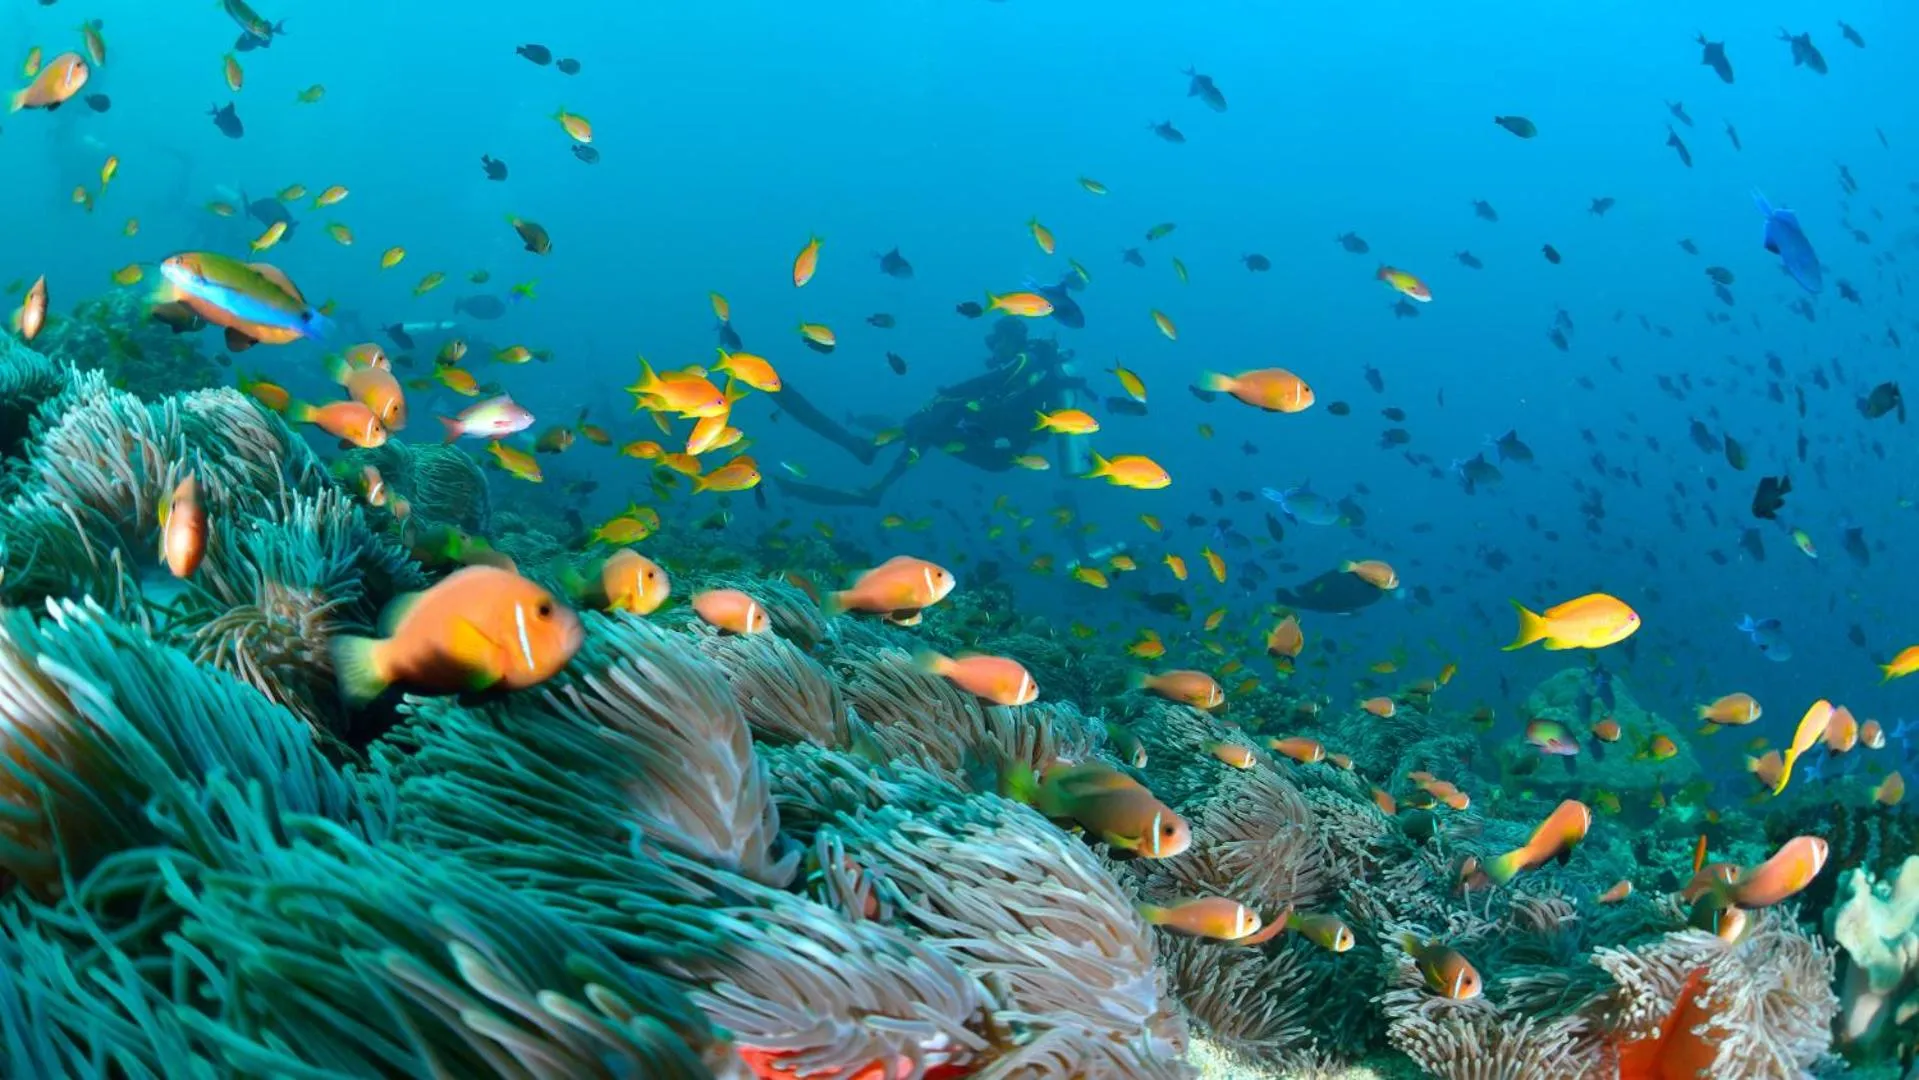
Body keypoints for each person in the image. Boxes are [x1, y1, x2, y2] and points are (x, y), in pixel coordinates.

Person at [773, 316, 1091, 507]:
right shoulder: (1030, 368)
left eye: (997, 342)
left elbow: (997, 379)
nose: (994, 349)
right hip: (996, 444)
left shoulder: (1029, 359)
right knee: (934, 424)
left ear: (1009, 338)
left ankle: (870, 456)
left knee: (942, 411)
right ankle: (872, 466)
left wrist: (951, 394)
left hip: (1003, 453)